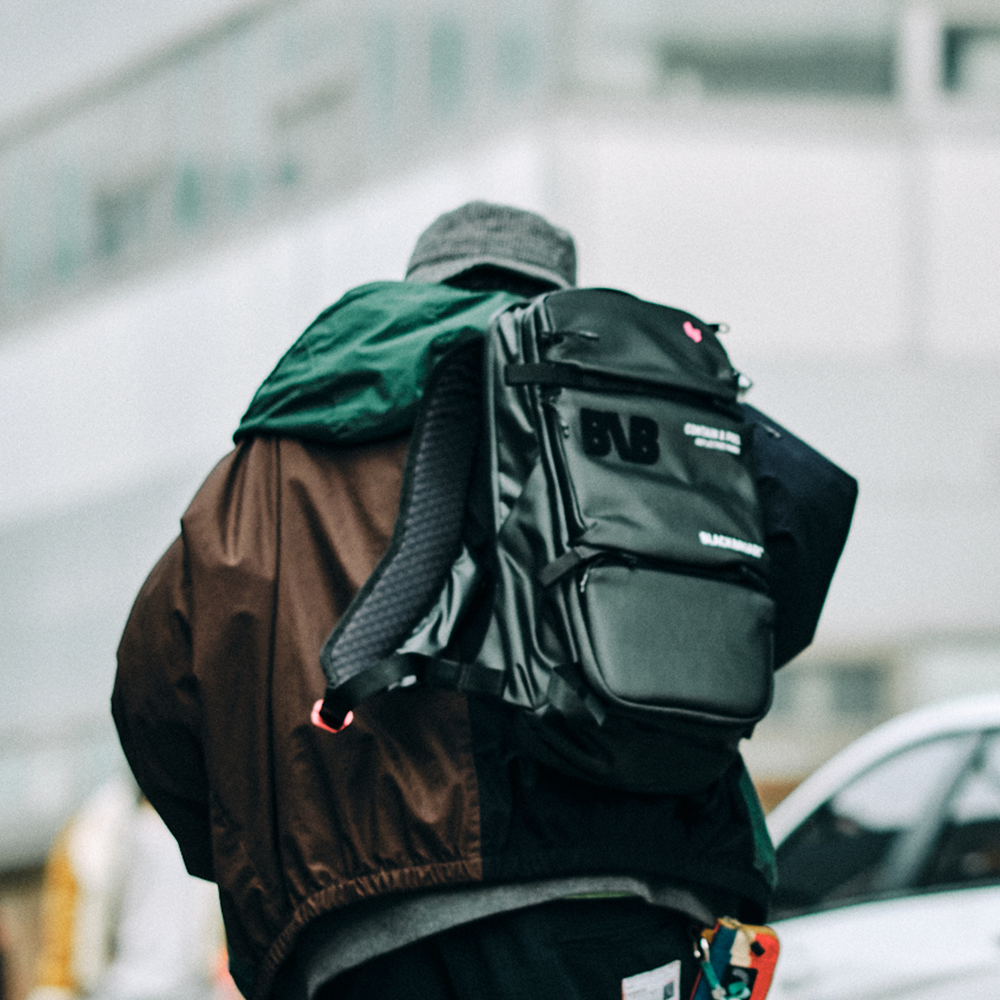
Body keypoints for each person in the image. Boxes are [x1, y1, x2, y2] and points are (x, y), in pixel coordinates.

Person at [113, 202, 777, 1000]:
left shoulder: (259, 476)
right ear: (558, 292)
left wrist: (266, 850)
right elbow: (772, 588)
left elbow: (153, 703)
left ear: (420, 287)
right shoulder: (650, 416)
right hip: (641, 901)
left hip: (366, 934)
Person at [26, 774, 236, 1000]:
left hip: (200, 990)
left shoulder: (222, 823)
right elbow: (61, 948)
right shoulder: (92, 830)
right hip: (116, 991)